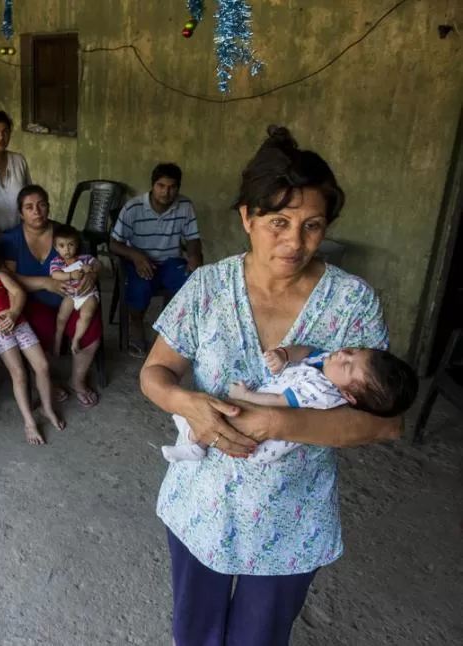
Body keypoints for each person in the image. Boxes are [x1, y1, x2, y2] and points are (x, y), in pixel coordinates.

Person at [139, 126, 404, 646]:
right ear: (246, 217)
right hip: (203, 504)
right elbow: (154, 373)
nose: (294, 242)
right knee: (196, 634)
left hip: (292, 512)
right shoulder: (208, 287)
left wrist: (276, 422)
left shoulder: (352, 303)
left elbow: (386, 421)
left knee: (259, 638)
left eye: (312, 226)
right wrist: (186, 402)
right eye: (278, 222)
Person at [164, 344, 418, 463]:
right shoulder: (327, 365)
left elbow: (280, 401)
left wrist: (246, 396)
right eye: (353, 350)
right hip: (268, 411)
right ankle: (191, 431)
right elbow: (307, 352)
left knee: (224, 415)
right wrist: (284, 355)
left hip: (265, 441)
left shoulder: (321, 391)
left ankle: (194, 445)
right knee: (208, 412)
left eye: (347, 364)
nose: (342, 354)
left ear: (349, 396)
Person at [0, 185, 102, 408]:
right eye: (29, 207)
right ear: (20, 213)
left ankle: (77, 380)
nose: (36, 211)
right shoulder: (11, 239)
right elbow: (8, 277)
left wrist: (91, 275)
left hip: (72, 298)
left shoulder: (65, 234)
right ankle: (47, 380)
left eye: (41, 205)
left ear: (48, 207)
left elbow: (89, 262)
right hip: (34, 300)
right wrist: (47, 283)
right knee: (34, 327)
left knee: (90, 323)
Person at [0, 239, 64, 446]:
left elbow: (19, 293)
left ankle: (47, 408)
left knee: (42, 366)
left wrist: (14, 313)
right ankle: (29, 422)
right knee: (18, 374)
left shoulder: (0, 276)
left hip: (18, 323)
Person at [110, 163, 203, 358]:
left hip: (170, 262)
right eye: (161, 186)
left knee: (191, 283)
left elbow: (193, 239)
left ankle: (172, 332)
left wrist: (194, 257)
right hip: (141, 263)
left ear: (178, 188)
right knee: (140, 289)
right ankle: (137, 330)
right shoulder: (133, 207)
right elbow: (113, 244)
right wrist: (135, 255)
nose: (166, 192)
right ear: (152, 185)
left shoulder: (185, 205)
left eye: (172, 187)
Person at [49, 224, 100, 355]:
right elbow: (55, 275)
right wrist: (71, 275)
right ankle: (57, 341)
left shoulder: (84, 258)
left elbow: (98, 263)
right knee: (61, 317)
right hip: (71, 295)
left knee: (87, 314)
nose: (67, 249)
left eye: (71, 245)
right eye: (62, 246)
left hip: (88, 294)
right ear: (56, 247)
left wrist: (92, 268)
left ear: (77, 245)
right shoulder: (57, 262)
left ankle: (76, 340)